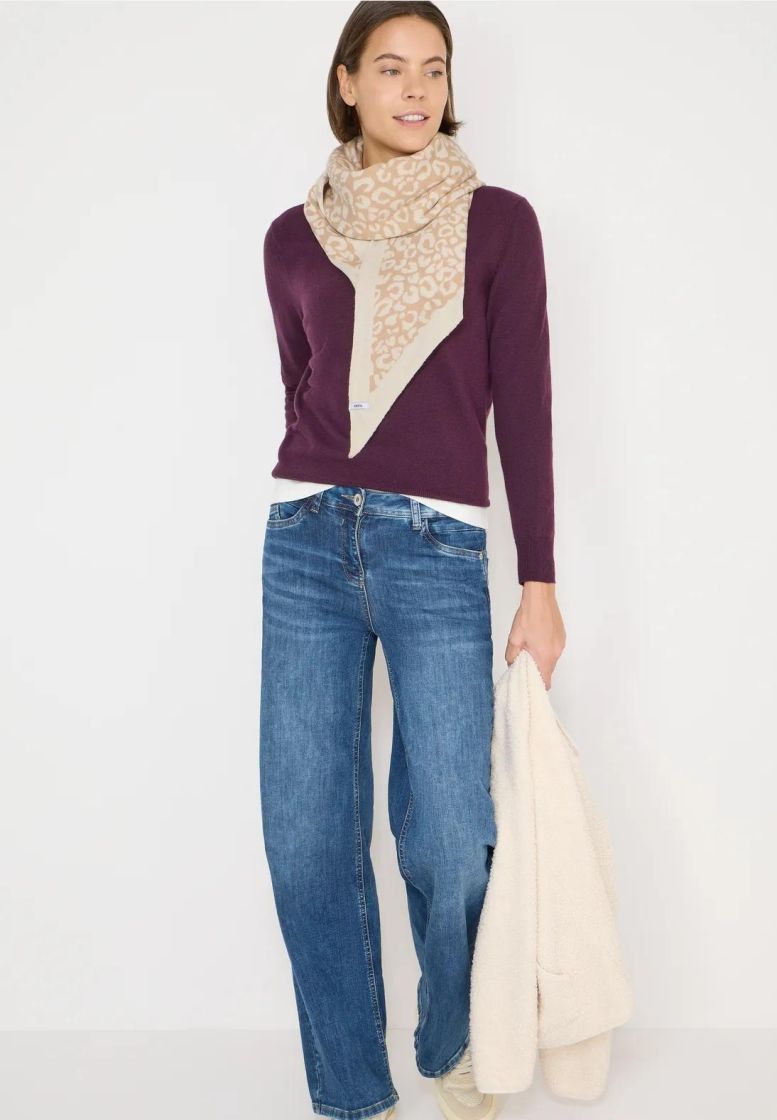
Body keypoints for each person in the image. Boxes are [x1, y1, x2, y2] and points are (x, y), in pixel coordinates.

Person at [259, 4, 566, 1118]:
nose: (416, 89)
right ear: (346, 82)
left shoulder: (499, 222)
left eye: (433, 69)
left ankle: (452, 1040)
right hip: (304, 539)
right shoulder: (292, 236)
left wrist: (540, 580)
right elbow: (302, 387)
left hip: (437, 545)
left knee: (450, 832)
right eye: (390, 68)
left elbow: (522, 404)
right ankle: (351, 1088)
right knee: (305, 839)